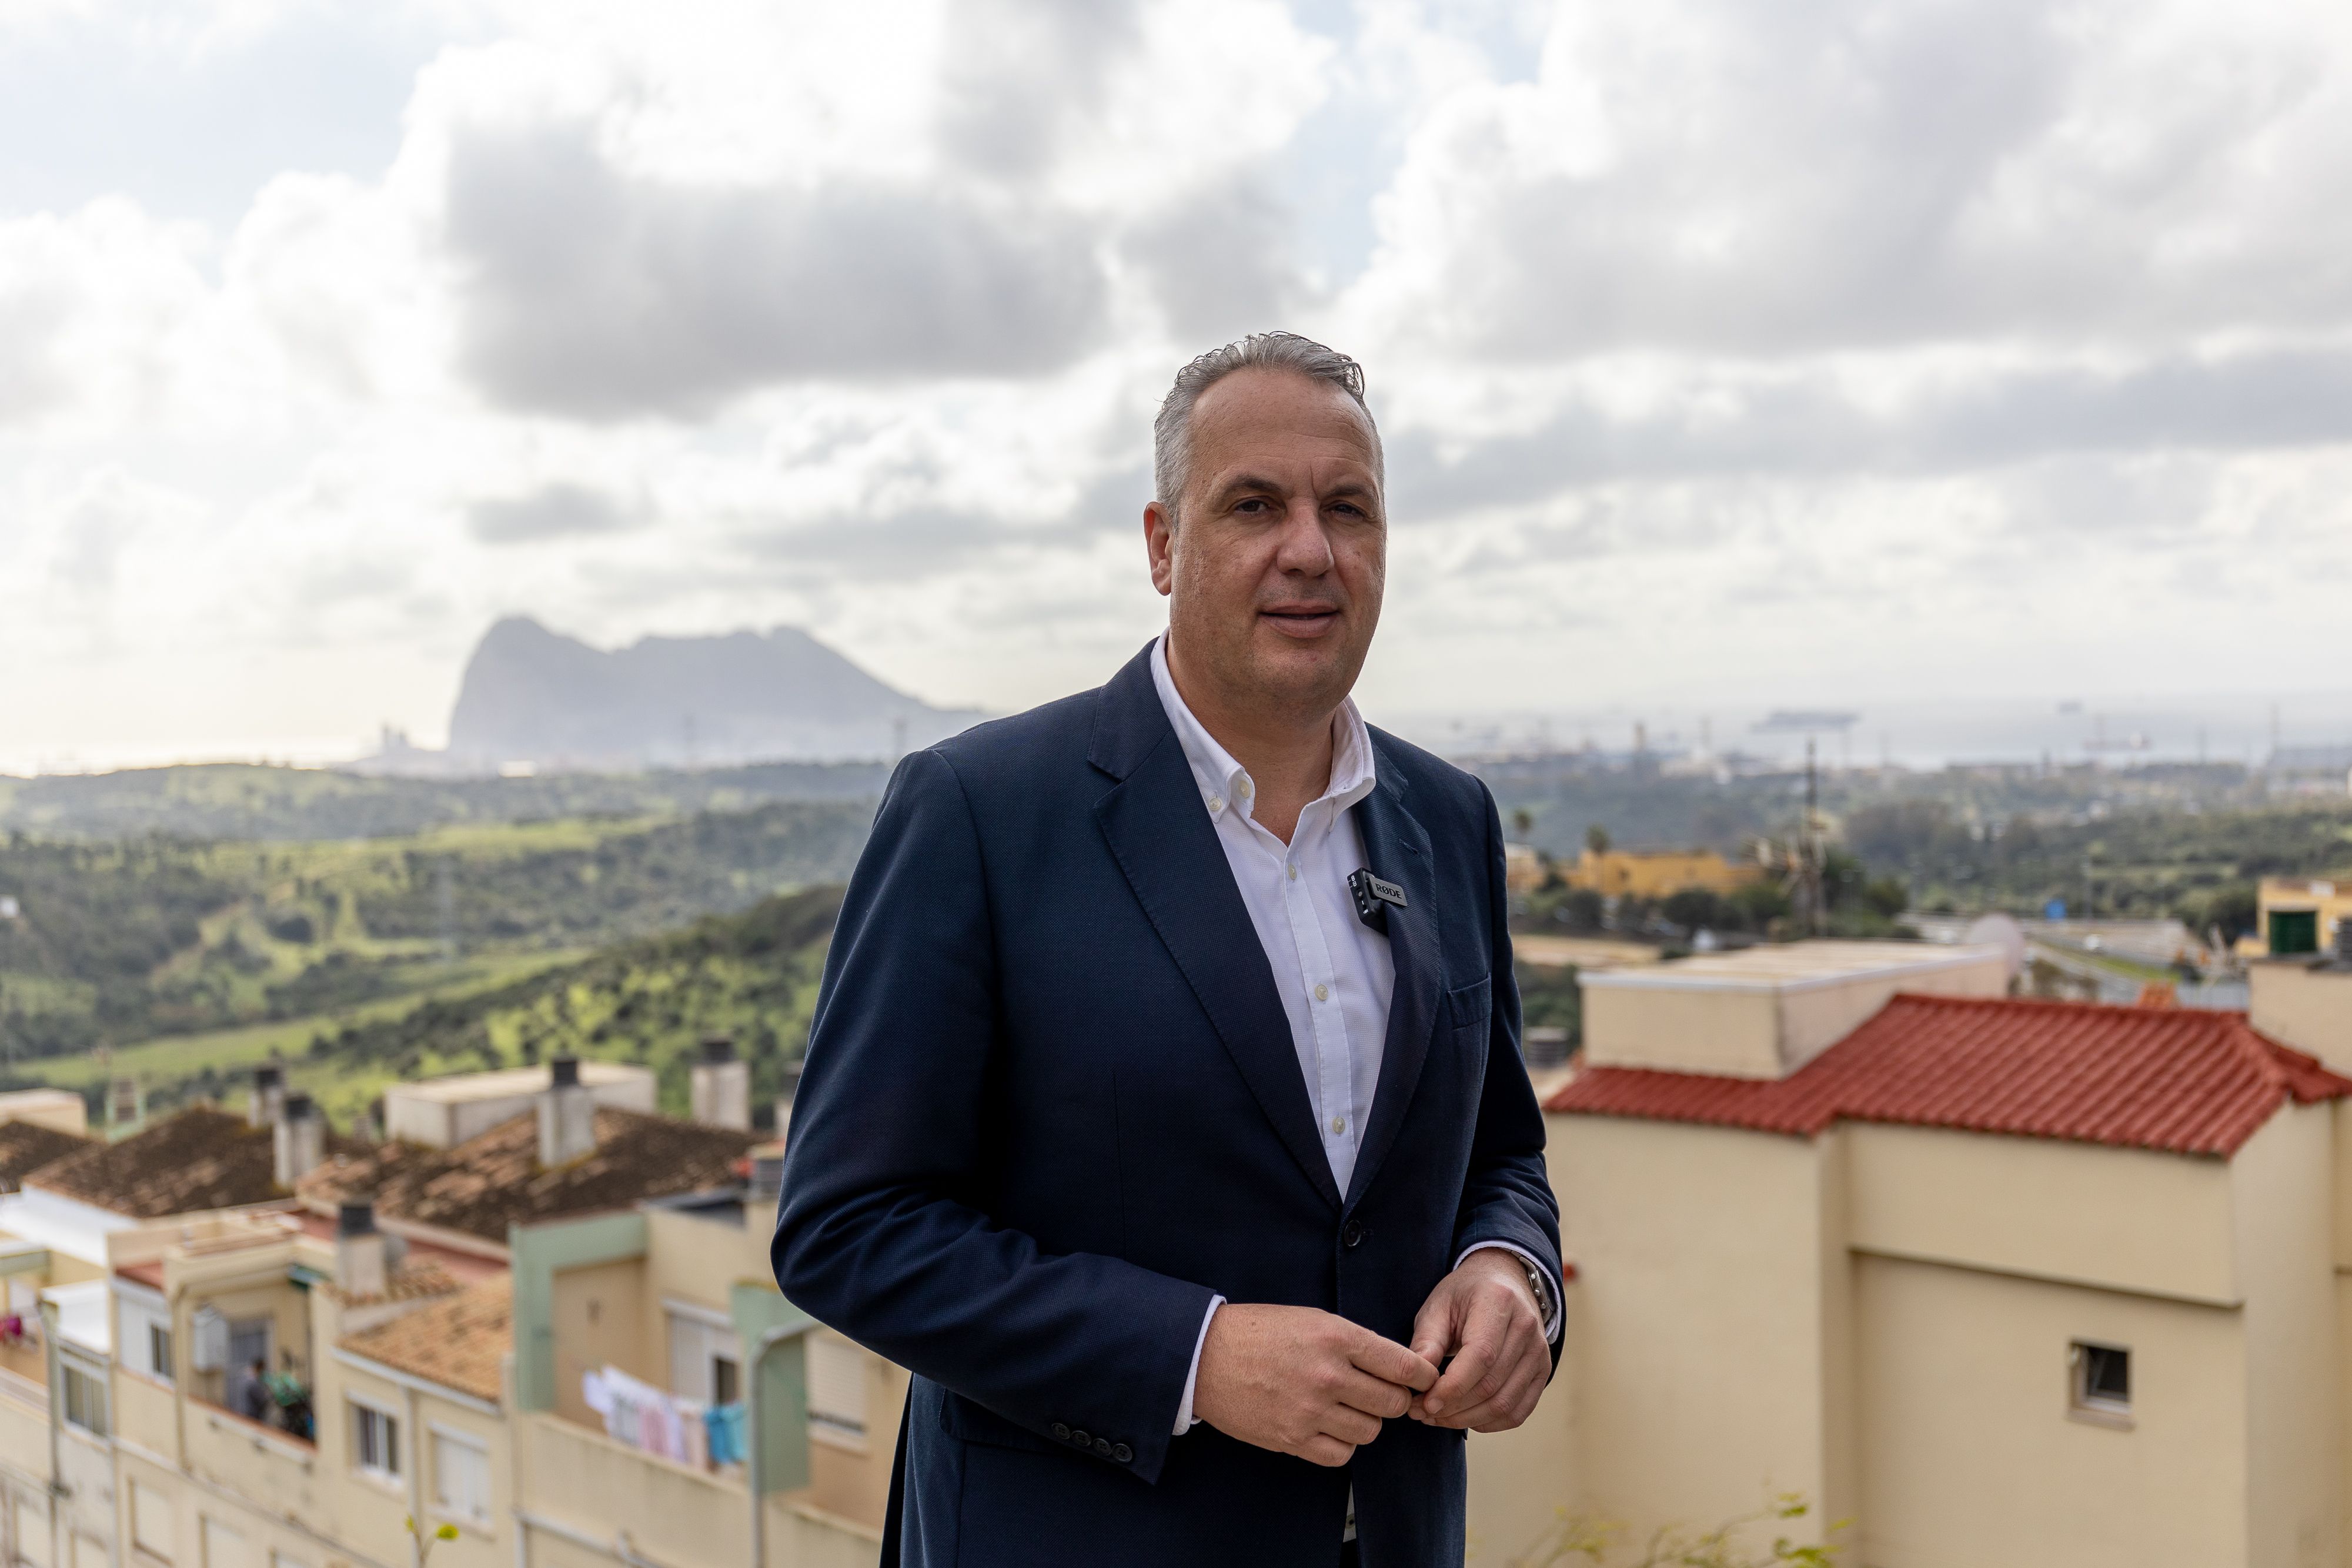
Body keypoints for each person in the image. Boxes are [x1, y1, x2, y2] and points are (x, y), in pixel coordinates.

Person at [772, 332, 1562, 1567]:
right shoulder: (978, 809)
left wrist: (1511, 1270)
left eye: (1346, 508)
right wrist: (1192, 1355)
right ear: (1161, 545)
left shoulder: (1448, 816)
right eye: (1253, 504)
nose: (1309, 547)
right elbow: (848, 1226)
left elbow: (1500, 1148)